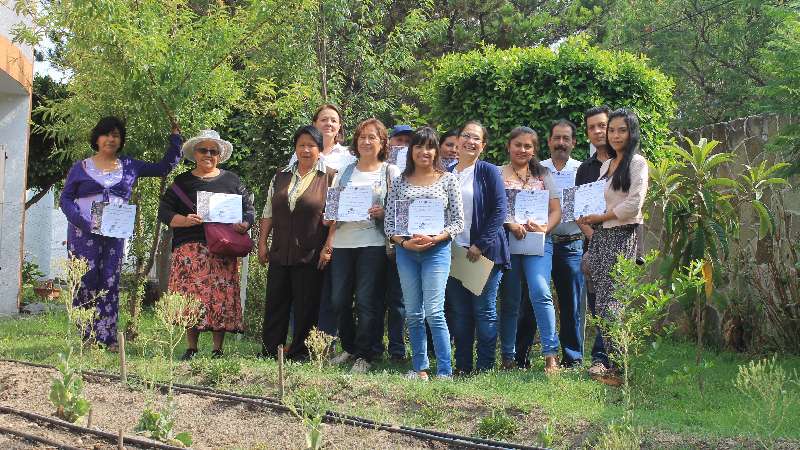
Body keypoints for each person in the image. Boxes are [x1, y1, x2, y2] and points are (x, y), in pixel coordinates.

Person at [60, 117, 182, 350]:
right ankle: (86, 336)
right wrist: (82, 220)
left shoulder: (130, 165)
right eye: (106, 134)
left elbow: (163, 167)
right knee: (85, 279)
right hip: (83, 232)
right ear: (97, 138)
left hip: (115, 232)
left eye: (116, 135)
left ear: (121, 140)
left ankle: (108, 337)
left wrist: (176, 139)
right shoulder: (80, 167)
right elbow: (65, 199)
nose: (111, 139)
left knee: (110, 279)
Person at [158, 130, 255, 359]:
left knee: (219, 298)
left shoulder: (232, 180)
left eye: (214, 151)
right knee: (192, 299)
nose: (208, 155)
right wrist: (184, 220)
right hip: (190, 249)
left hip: (222, 248)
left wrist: (244, 223)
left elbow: (248, 208)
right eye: (204, 150)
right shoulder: (182, 182)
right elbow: (164, 210)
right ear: (195, 153)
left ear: (219, 156)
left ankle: (217, 349)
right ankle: (191, 348)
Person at [385, 127, 464, 380]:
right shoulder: (399, 181)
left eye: (429, 147)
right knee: (413, 312)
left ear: (436, 150)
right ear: (411, 151)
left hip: (436, 252)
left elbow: (458, 222)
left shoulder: (448, 180)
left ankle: (445, 370)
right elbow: (389, 225)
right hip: (407, 253)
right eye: (418, 146)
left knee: (434, 311)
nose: (424, 152)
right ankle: (419, 368)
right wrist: (404, 243)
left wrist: (435, 238)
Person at [323, 119, 401, 373]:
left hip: (373, 243)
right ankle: (350, 346)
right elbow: (330, 212)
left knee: (368, 300)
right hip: (344, 243)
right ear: (356, 142)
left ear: (382, 143)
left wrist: (383, 211)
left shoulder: (390, 172)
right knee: (339, 300)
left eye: (372, 137)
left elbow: (400, 211)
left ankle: (366, 354)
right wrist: (330, 227)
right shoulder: (345, 171)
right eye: (362, 137)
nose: (366, 142)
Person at [578, 108, 649, 386]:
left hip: (622, 236)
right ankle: (614, 367)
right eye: (613, 130)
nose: (616, 135)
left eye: (622, 130)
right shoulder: (607, 166)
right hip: (601, 238)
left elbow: (634, 204)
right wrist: (585, 215)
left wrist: (601, 217)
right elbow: (594, 201)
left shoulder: (637, 163)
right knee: (601, 303)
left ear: (632, 133)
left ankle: (620, 368)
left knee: (613, 304)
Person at [258, 125, 336, 361]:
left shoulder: (330, 177)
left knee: (306, 305)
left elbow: (335, 217)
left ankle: (300, 353)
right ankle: (270, 351)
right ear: (295, 148)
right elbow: (268, 211)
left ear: (320, 149)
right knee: (275, 303)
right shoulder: (280, 175)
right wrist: (262, 243)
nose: (306, 149)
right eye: (301, 145)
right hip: (280, 251)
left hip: (310, 252)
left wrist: (328, 246)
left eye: (311, 145)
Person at [445, 121, 508, 374]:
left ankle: (484, 367)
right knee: (459, 314)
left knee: (484, 312)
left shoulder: (488, 171)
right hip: (452, 253)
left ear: (483, 145)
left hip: (484, 254)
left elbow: (500, 211)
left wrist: (479, 245)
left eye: (476, 138)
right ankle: (462, 366)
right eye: (465, 136)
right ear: (457, 141)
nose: (470, 141)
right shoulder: (446, 173)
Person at [498, 127, 563, 373]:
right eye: (518, 144)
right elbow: (493, 208)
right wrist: (509, 223)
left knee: (541, 291)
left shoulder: (544, 174)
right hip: (509, 243)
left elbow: (556, 210)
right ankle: (507, 356)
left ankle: (550, 355)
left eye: (528, 146)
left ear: (534, 150)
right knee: (511, 299)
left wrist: (546, 227)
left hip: (538, 242)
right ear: (509, 146)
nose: (522, 150)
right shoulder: (497, 173)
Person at [538, 119, 585, 368]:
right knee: (534, 298)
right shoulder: (538, 169)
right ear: (549, 141)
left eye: (566, 138)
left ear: (574, 142)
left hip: (572, 244)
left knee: (571, 304)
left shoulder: (583, 169)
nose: (561, 143)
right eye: (556, 138)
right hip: (542, 244)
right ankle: (521, 355)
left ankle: (573, 358)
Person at [575, 106, 612, 376]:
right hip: (594, 245)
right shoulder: (585, 169)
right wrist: (595, 239)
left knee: (617, 302)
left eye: (603, 125)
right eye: (592, 127)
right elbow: (577, 212)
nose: (598, 131)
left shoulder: (628, 162)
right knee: (598, 302)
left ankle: (618, 356)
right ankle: (600, 359)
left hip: (624, 243)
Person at [289, 103, 355, 171]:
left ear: (339, 127)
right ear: (314, 124)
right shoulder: (302, 153)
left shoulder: (349, 155)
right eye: (324, 120)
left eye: (333, 121)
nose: (329, 123)